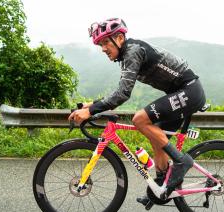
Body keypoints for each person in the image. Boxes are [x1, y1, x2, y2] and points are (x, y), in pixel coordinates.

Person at [68, 18, 206, 200]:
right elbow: (120, 90)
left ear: (118, 38)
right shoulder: (127, 54)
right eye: (100, 45)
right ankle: (161, 188)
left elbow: (123, 94)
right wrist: (92, 104)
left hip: (189, 90)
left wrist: (91, 111)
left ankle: (182, 161)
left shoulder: (133, 51)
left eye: (104, 43)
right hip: (180, 93)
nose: (102, 49)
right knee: (157, 141)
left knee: (140, 119)